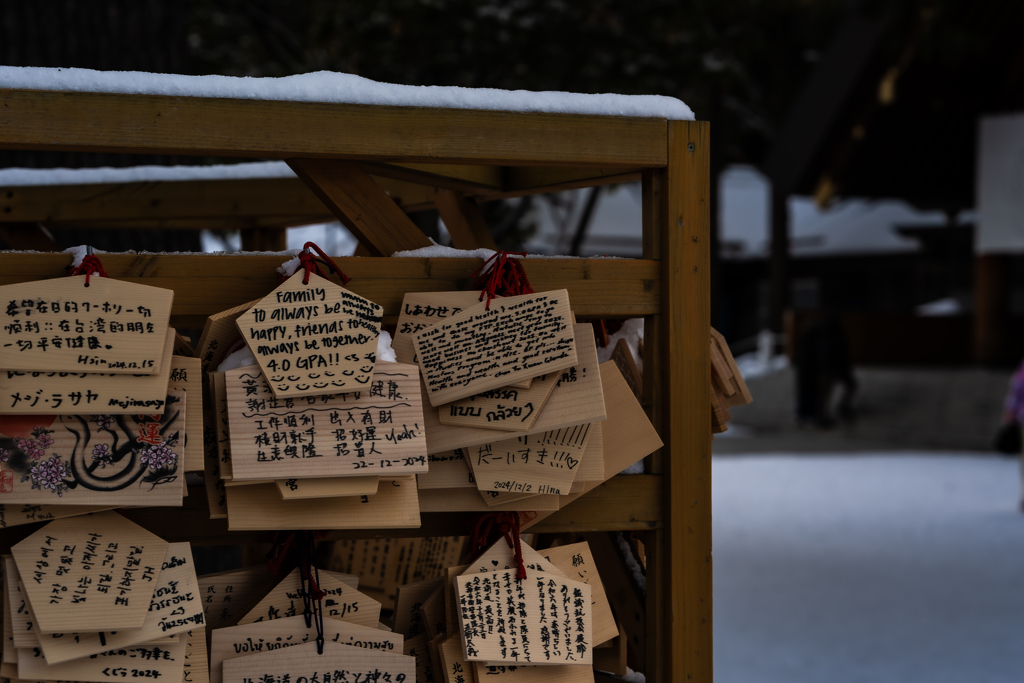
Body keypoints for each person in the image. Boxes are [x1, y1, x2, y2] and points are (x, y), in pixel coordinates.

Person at [795, 313, 857, 428]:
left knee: (822, 393)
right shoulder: (826, 336)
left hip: (822, 368)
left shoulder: (821, 335)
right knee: (822, 393)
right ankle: (820, 415)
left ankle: (818, 415)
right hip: (825, 368)